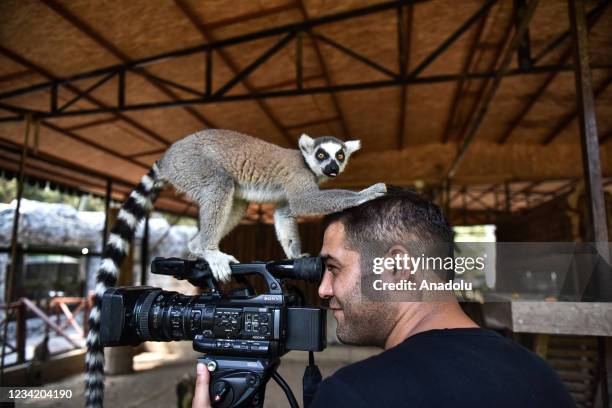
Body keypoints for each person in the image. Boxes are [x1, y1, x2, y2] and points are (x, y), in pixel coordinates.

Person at [193, 188, 575, 408]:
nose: (323, 289)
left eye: (335, 268)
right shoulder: (541, 377)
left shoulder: (356, 395)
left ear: (396, 265)